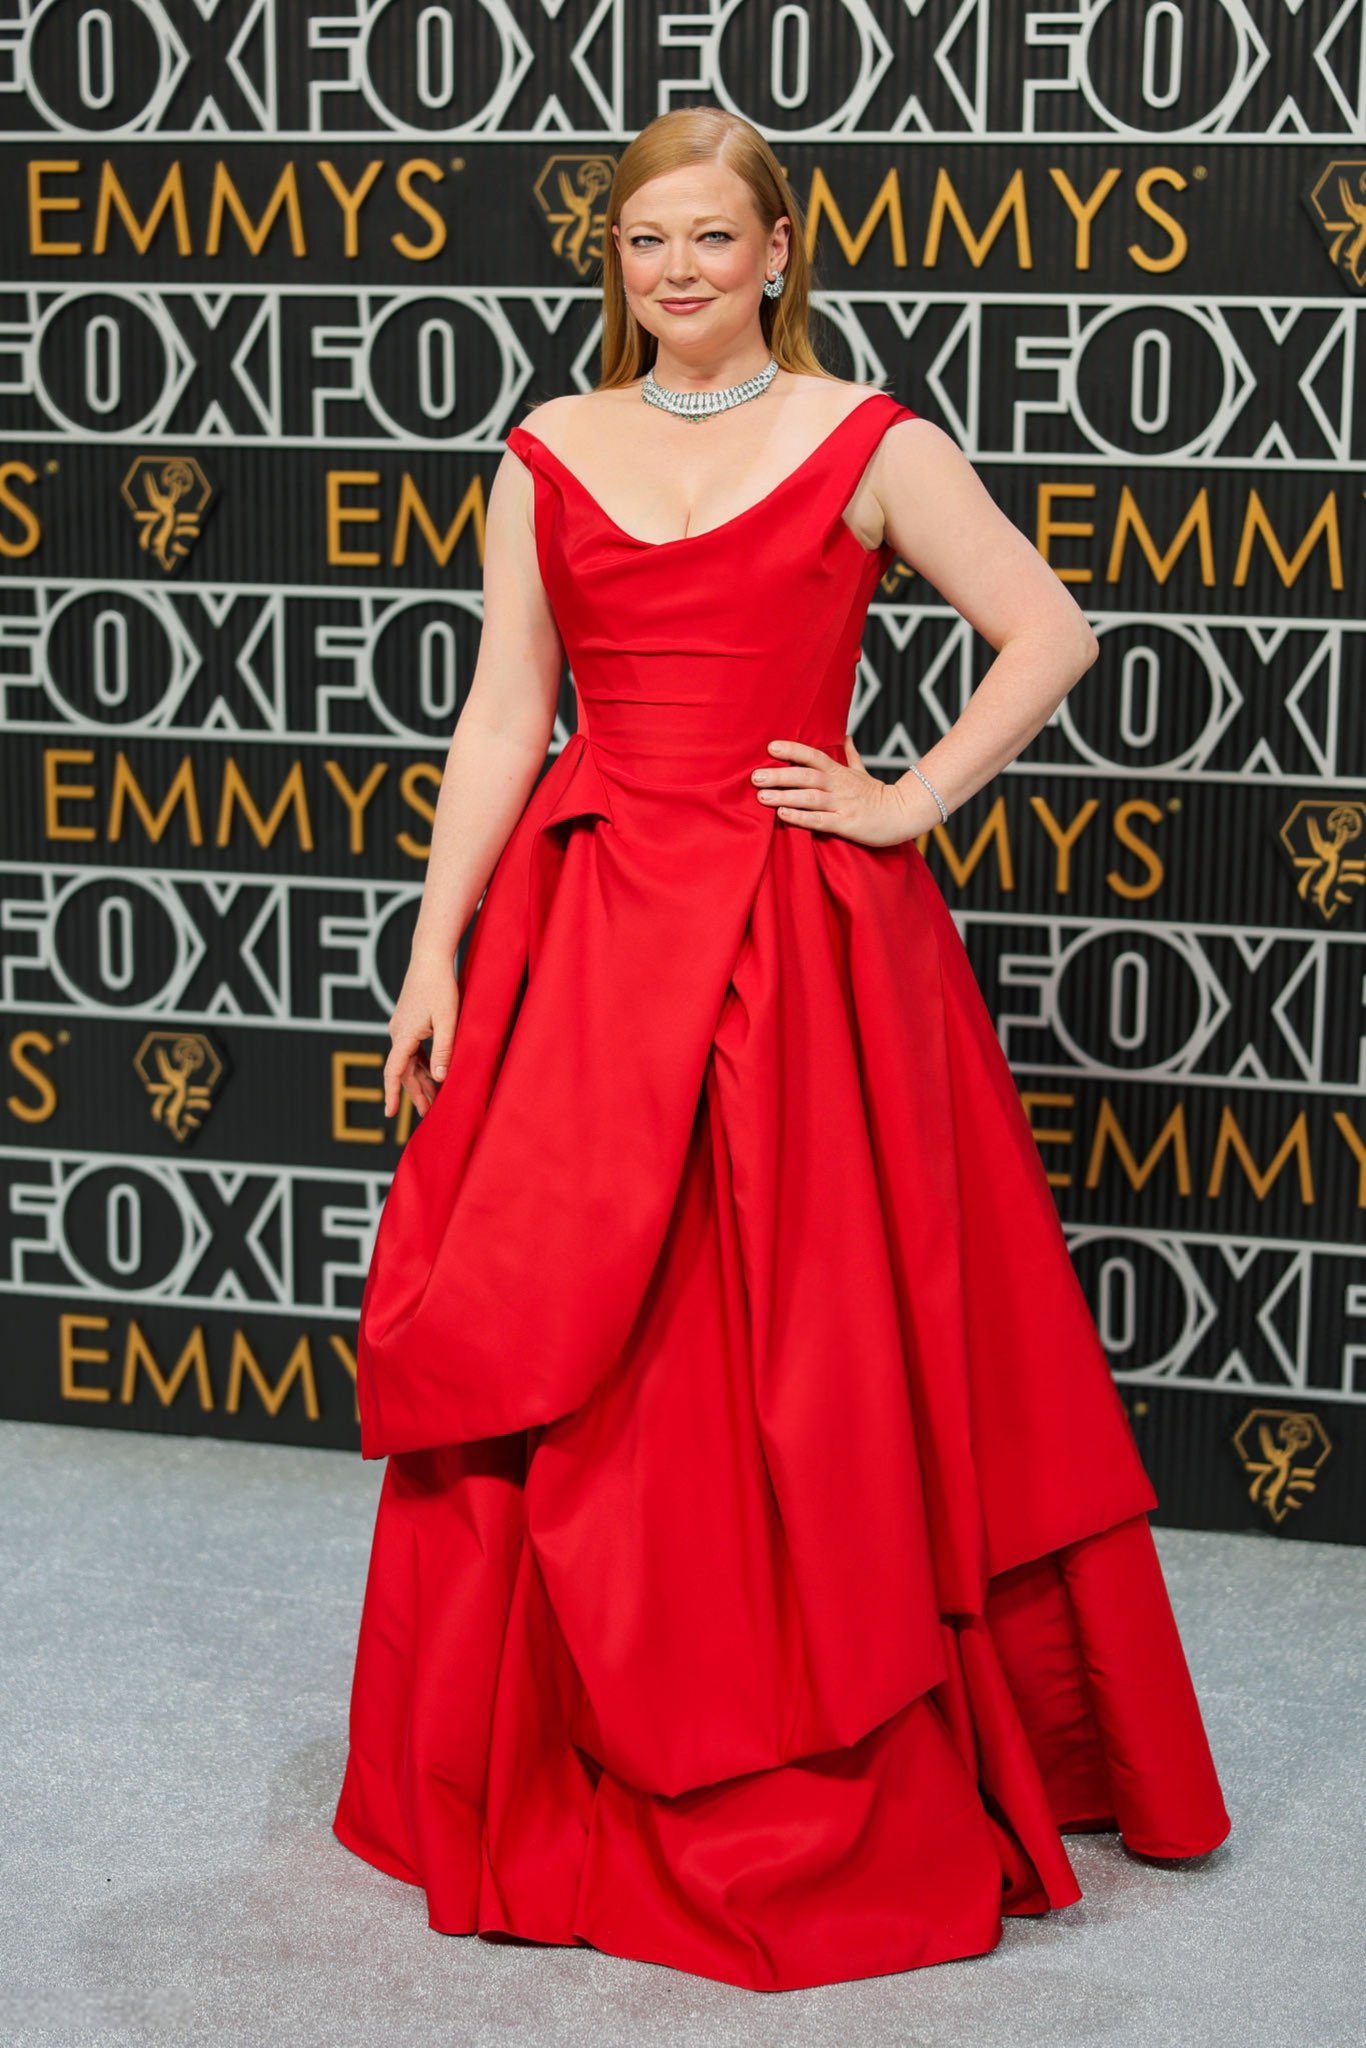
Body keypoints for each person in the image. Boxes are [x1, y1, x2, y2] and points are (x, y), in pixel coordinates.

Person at [331, 105, 1231, 1994]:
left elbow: (1046, 632)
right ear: (616, 259)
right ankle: (570, 1732)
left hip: (797, 942)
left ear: (774, 250)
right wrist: (434, 945)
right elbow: (505, 711)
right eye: (645, 241)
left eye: (710, 238)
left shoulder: (869, 439)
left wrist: (905, 798)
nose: (677, 271)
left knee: (809, 1342)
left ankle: (823, 1709)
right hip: (588, 931)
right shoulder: (547, 447)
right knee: (583, 1324)